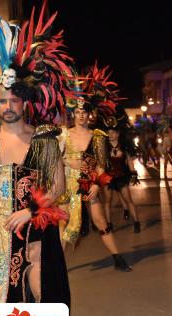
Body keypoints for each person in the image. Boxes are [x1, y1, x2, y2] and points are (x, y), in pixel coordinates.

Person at [0, 7, 79, 316]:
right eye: (1, 100)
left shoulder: (46, 138)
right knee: (2, 282)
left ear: (24, 102)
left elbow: (59, 188)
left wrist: (30, 211)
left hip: (37, 220)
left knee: (39, 281)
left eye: (13, 100)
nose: (7, 106)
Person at [58, 66, 132, 272]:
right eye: (78, 112)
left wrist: (97, 187)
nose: (81, 116)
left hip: (89, 185)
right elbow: (55, 159)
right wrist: (68, 162)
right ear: (73, 113)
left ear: (89, 115)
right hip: (67, 186)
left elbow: (101, 166)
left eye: (84, 112)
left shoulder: (97, 136)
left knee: (101, 221)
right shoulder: (63, 134)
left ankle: (117, 258)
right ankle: (58, 266)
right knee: (63, 225)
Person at [102, 110, 141, 233]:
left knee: (128, 199)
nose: (111, 135)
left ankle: (136, 222)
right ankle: (109, 224)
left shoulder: (124, 147)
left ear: (118, 134)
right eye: (108, 132)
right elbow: (101, 163)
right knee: (107, 201)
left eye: (113, 132)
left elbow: (129, 161)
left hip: (122, 177)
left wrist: (133, 174)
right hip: (108, 178)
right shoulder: (104, 147)